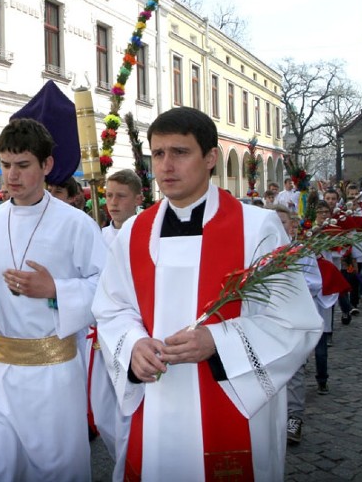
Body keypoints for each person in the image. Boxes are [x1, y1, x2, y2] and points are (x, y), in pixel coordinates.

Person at [92, 107, 322, 481]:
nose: (166, 165)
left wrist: (217, 341)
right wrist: (133, 345)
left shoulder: (257, 228)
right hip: (155, 402)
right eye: (159, 153)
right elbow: (111, 308)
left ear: (210, 157)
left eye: (180, 152)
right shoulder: (133, 232)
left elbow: (293, 323)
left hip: (229, 399)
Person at [0, 118, 107, 481]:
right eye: (6, 165)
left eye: (23, 166)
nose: (12, 176)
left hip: (53, 374)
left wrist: (55, 290)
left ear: (46, 165)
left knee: (54, 470)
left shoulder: (75, 224)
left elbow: (106, 289)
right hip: (0, 371)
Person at [90, 168, 144, 457]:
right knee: (103, 413)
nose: (112, 202)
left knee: (132, 408)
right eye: (108, 195)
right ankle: (120, 460)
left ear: (137, 198)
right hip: (102, 338)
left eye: (121, 196)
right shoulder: (98, 236)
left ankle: (133, 462)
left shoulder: (148, 233)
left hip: (137, 335)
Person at [270, 204, 330, 444]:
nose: (277, 226)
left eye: (282, 222)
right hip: (267, 322)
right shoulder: (256, 249)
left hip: (293, 320)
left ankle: (294, 418)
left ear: (291, 225)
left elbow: (315, 283)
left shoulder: (300, 251)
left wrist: (290, 283)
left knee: (294, 370)